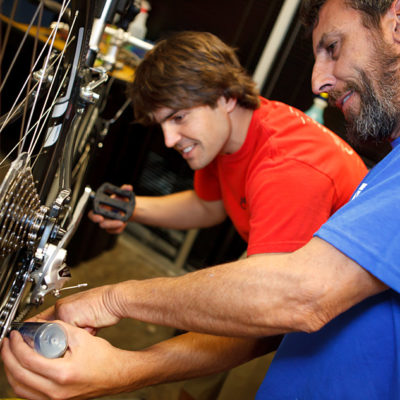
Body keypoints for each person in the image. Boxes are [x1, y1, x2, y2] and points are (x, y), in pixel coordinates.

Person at [4, 2, 400, 395]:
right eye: (162, 124)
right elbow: (210, 205)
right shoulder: (232, 136)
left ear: (226, 96)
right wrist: (135, 208)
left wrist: (122, 356)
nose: (169, 140)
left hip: (318, 335)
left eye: (178, 118)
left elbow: (276, 311)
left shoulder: (288, 168)